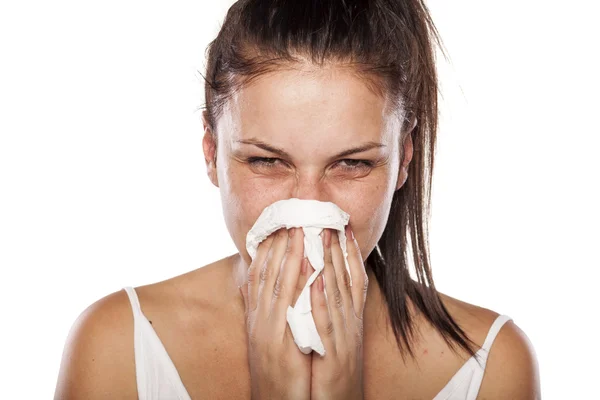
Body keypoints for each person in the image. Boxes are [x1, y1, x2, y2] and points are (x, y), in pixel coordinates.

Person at [54, 1, 541, 399]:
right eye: (267, 161)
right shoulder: (116, 349)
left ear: (404, 159)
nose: (308, 208)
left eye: (351, 164)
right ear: (210, 150)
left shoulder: (491, 367)